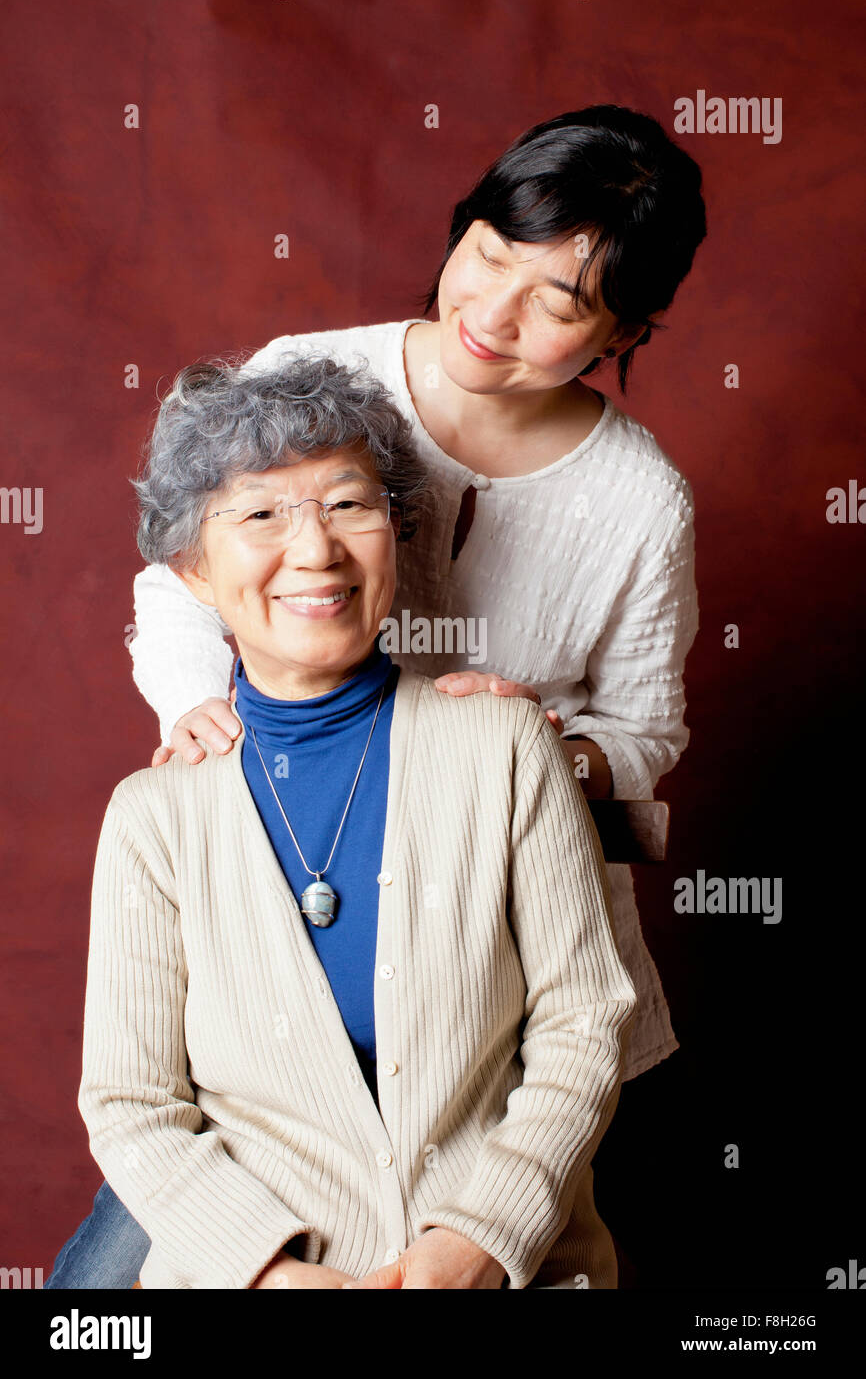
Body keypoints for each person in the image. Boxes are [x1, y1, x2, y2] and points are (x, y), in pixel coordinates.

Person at [46, 102, 703, 1286]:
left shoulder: (637, 499)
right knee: (105, 1291)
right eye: (488, 254)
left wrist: (539, 754)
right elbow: (189, 566)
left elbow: (645, 727)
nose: (491, 316)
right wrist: (203, 712)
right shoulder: (317, 378)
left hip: (500, 974)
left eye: (557, 303)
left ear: (623, 330)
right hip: (279, 968)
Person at [62, 354, 636, 1289]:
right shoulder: (155, 818)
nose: (316, 549)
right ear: (194, 573)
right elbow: (132, 1104)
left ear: (397, 534)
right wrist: (269, 1271)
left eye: (347, 504)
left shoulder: (504, 746)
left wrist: (480, 1242)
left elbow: (584, 1019)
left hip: (507, 1266)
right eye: (259, 514)